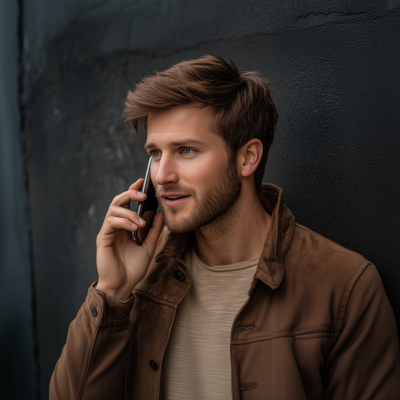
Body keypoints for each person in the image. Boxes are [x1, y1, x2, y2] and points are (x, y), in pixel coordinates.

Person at [50, 53, 400, 400]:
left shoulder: (344, 286)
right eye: (155, 153)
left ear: (247, 157)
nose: (162, 175)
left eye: (186, 150)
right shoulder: (140, 279)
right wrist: (113, 292)